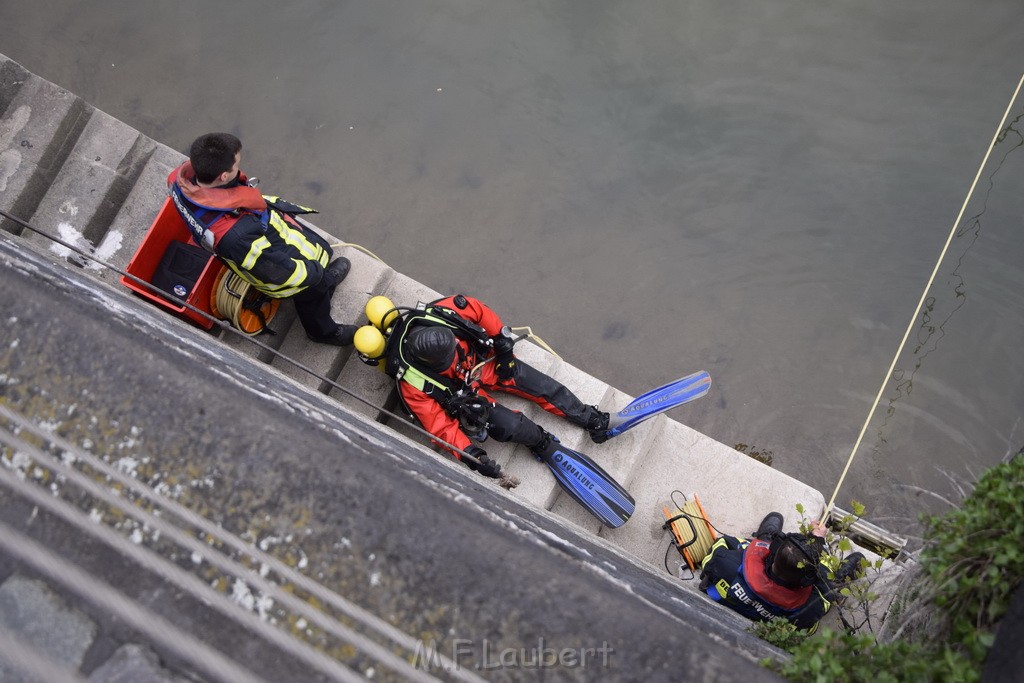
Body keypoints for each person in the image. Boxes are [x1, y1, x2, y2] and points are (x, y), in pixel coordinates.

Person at [360, 294, 611, 479]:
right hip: (463, 393)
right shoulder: (412, 386)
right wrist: (472, 456)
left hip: (482, 361)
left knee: (541, 384)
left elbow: (479, 312)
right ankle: (541, 442)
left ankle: (590, 417)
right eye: (448, 358)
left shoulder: (444, 314)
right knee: (509, 425)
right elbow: (441, 426)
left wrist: (503, 347)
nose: (453, 353)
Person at [168, 132, 357, 345]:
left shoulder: (179, 180)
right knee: (312, 288)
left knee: (316, 249)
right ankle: (322, 331)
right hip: (266, 253)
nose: (240, 168)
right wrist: (315, 275)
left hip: (259, 228)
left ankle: (323, 279)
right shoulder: (235, 238)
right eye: (237, 165)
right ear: (223, 176)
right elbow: (277, 270)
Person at [698, 512, 864, 633]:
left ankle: (765, 537)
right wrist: (818, 544)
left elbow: (721, 545)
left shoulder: (725, 563)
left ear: (773, 552)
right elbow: (824, 589)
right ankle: (841, 579)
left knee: (751, 548)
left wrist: (765, 544)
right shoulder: (811, 608)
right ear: (807, 580)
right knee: (830, 584)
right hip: (783, 620)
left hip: (733, 597)